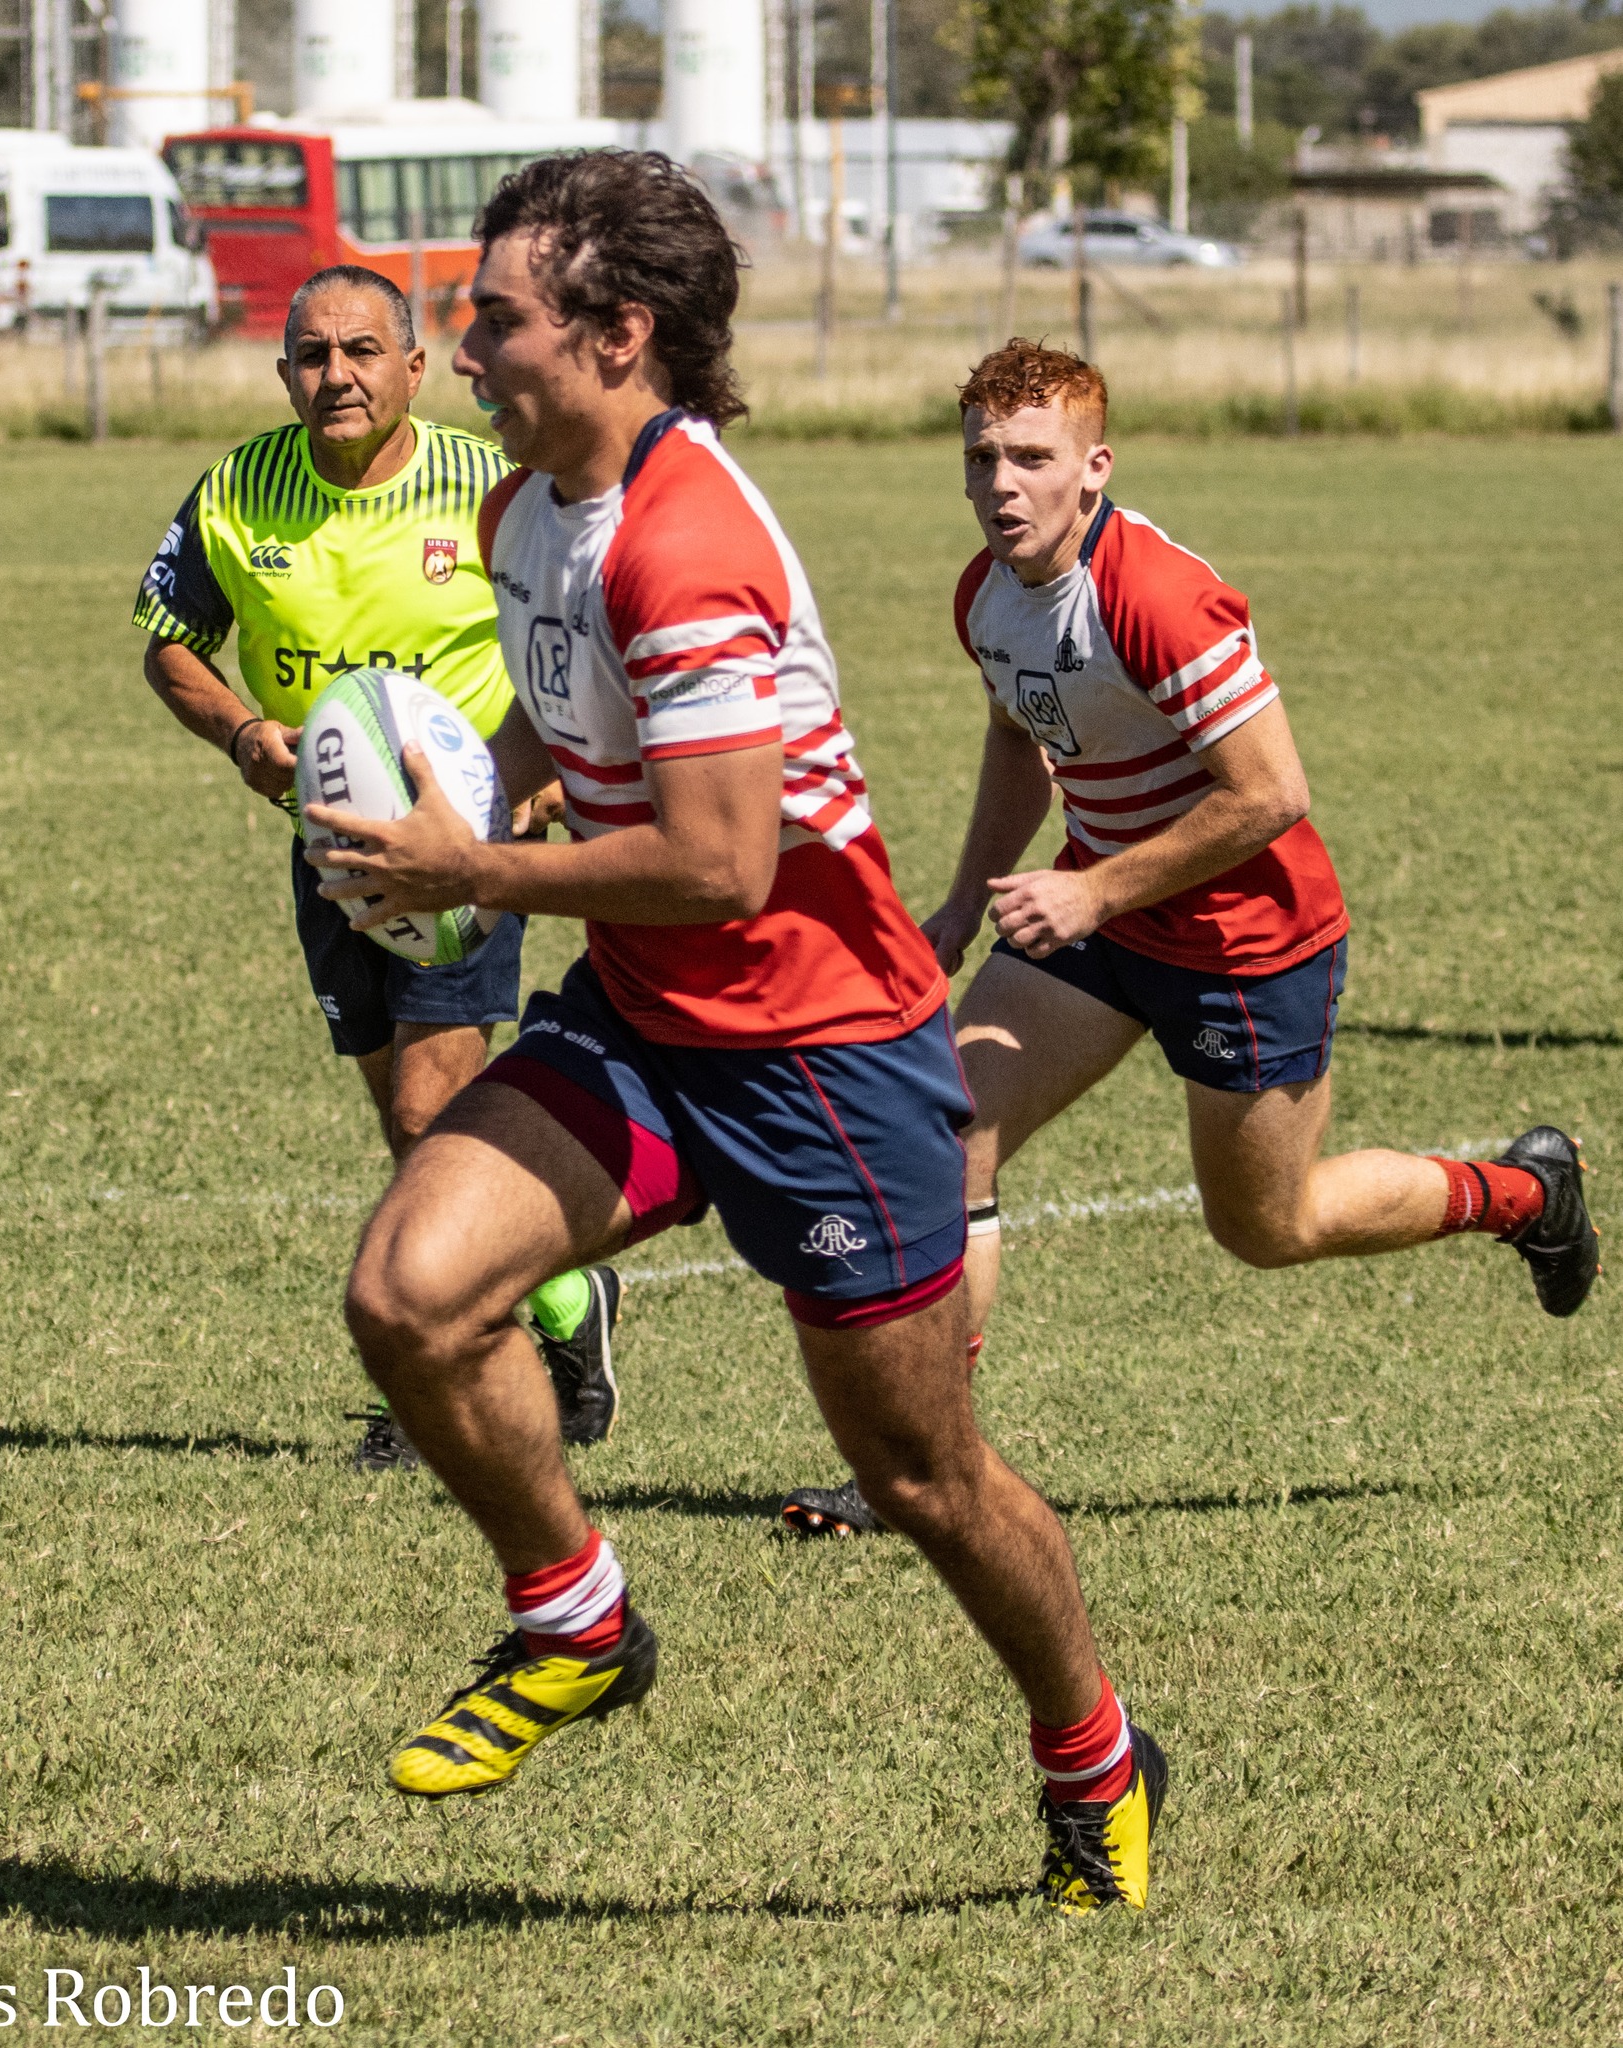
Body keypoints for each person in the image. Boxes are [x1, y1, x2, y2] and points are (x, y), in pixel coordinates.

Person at [302, 156, 1167, 1914]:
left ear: (623, 336)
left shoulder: (685, 545)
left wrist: (470, 861)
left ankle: (1092, 1743)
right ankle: (576, 1617)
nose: (465, 351)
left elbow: (719, 857)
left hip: (821, 1057)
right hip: (641, 1012)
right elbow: (561, 737)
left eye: (497, 317)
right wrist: (445, 798)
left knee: (918, 1473)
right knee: (407, 1292)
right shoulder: (528, 508)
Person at [779, 340, 1599, 1541]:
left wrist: (1099, 890)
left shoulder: (1154, 595)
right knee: (946, 1133)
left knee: (1271, 1225)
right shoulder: (986, 593)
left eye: (1031, 458)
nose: (1001, 483)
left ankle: (1525, 1190)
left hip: (1246, 943)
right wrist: (962, 902)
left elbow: (1272, 791)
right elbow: (1020, 735)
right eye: (980, 458)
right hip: (1099, 919)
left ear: (1095, 467)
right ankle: (927, 1468)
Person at [134, 263, 623, 1469]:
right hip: (329, 843)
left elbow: (586, 619)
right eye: (312, 354)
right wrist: (246, 730)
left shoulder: (491, 488)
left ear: (414, 366)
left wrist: (549, 768)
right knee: (407, 1119)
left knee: (428, 1111)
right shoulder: (239, 492)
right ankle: (568, 1301)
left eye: (362, 351)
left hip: (466, 839)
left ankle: (469, 1371)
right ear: (283, 370)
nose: (336, 375)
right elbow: (168, 644)